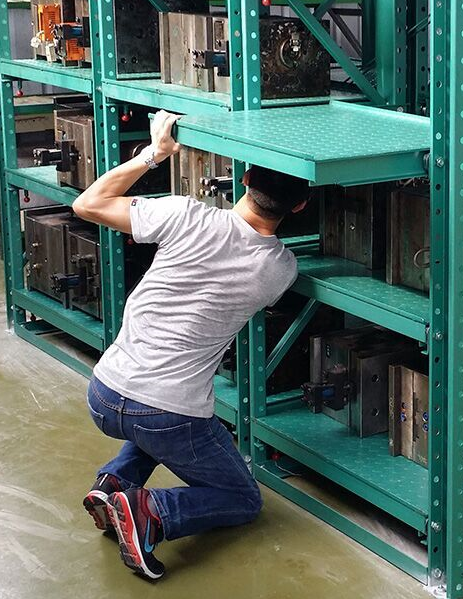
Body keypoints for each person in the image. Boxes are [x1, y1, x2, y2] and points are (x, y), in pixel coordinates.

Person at [73, 110, 308, 580]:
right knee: (243, 498)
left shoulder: (182, 213)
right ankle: (151, 513)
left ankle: (115, 485)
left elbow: (88, 204)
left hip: (104, 392)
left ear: (244, 179)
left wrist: (153, 154)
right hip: (167, 414)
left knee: (159, 426)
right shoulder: (280, 270)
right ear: (300, 207)